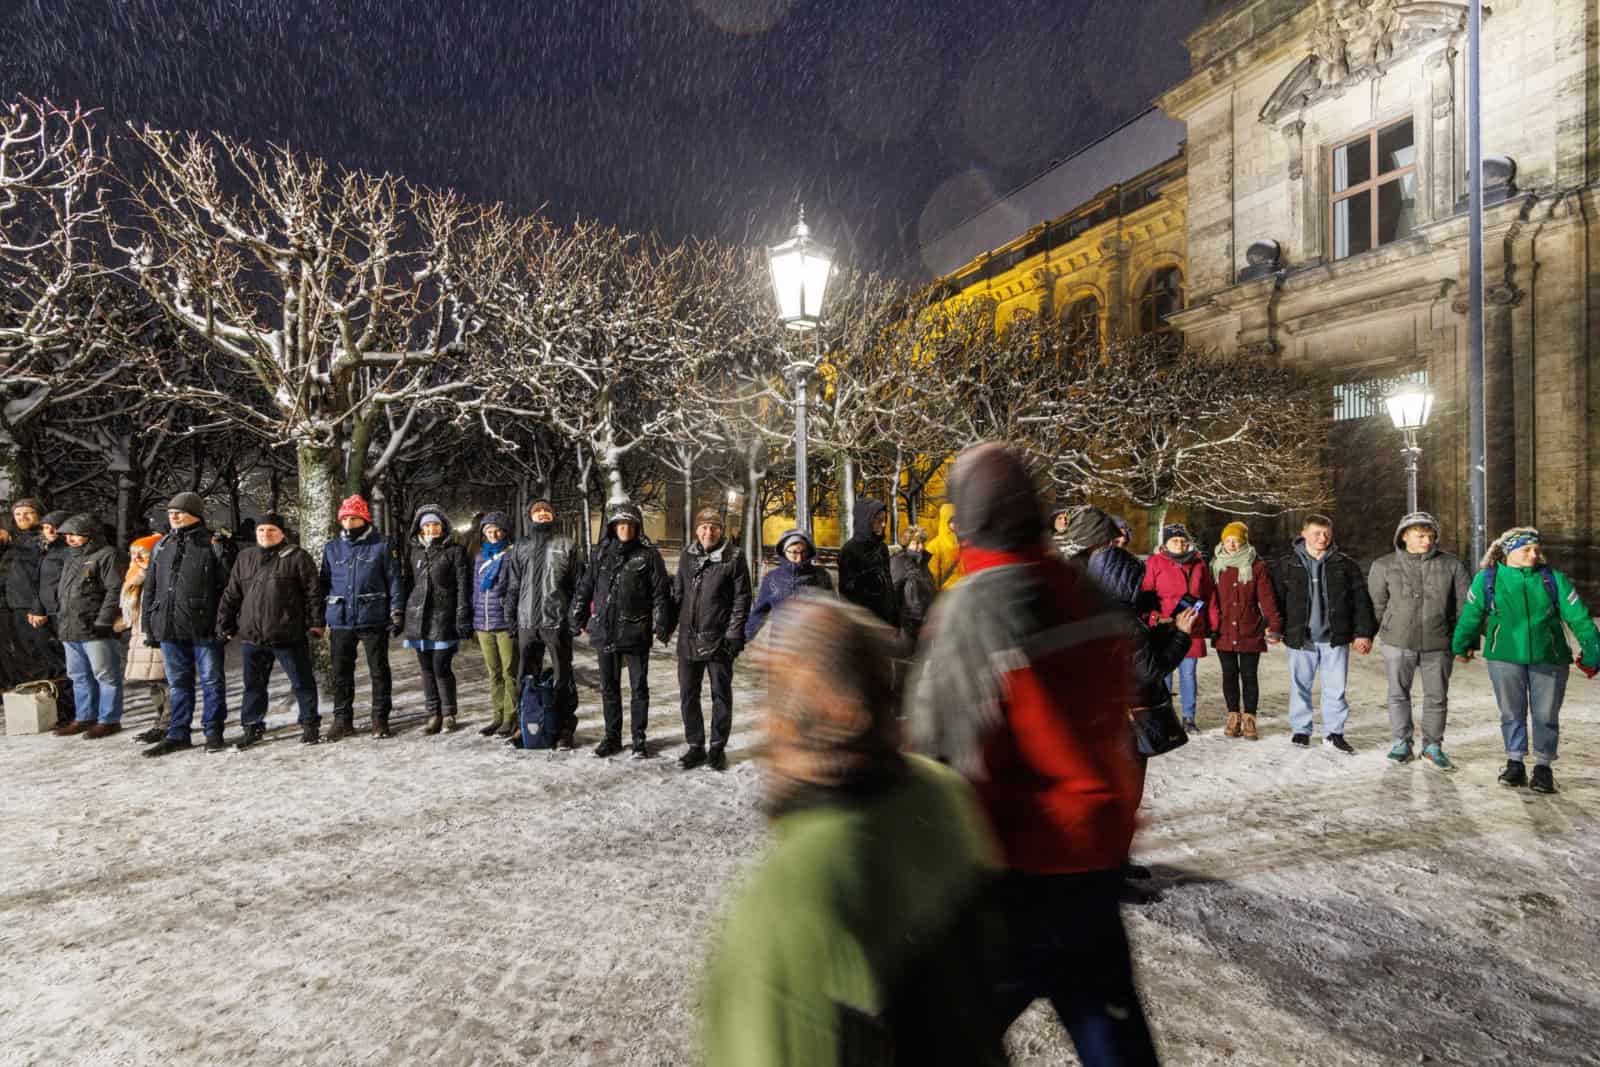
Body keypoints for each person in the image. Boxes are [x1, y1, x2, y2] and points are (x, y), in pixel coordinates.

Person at [909, 443, 1159, 1064]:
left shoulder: (977, 604)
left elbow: (941, 747)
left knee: (942, 1038)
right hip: (1095, 852)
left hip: (1017, 867)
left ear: (962, 518)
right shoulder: (1084, 589)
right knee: (1111, 1034)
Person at [703, 595, 1007, 1067]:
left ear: (789, 718)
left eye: (774, 695)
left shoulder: (792, 893)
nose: (764, 721)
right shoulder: (943, 793)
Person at [1451, 527, 1600, 794]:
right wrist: (1461, 645)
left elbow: (1579, 618)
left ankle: (1543, 767)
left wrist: (1593, 651)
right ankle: (1515, 761)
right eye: (1526, 550)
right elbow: (1471, 615)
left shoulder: (1553, 579)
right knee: (1511, 712)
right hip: (1505, 656)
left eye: (1536, 549)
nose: (1534, 554)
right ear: (1509, 552)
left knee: (1545, 714)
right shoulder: (1488, 579)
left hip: (1549, 656)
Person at [1368, 511, 1472, 768]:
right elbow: (1376, 604)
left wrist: (1465, 641)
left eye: (1431, 536)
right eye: (1420, 535)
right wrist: (1371, 632)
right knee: (1397, 693)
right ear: (1404, 536)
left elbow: (1465, 607)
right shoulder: (1383, 565)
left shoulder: (1452, 565)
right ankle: (1401, 742)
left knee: (1436, 696)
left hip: (1438, 642)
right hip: (1397, 641)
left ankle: (1433, 745)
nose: (1427, 541)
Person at [572, 501, 671, 759]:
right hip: (605, 629)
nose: (624, 529)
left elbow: (660, 593)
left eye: (629, 524)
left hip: (636, 631)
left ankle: (639, 738)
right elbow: (586, 587)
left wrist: (662, 623)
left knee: (638, 688)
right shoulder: (600, 555)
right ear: (612, 527)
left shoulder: (649, 556)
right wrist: (578, 615)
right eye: (620, 524)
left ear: (637, 527)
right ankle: (612, 736)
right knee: (609, 687)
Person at [1270, 514, 1376, 753]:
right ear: (1304, 533)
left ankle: (1334, 732)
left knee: (1335, 688)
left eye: (1327, 533)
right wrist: (1275, 628)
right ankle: (1301, 730)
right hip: (1300, 638)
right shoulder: (1287, 564)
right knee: (1300, 685)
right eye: (1317, 533)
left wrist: (1363, 633)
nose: (1322, 538)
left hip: (1335, 638)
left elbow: (1361, 601)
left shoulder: (1345, 564)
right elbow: (1275, 600)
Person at [216, 513, 323, 749]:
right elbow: (232, 593)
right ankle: (252, 727)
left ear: (282, 533)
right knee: (253, 685)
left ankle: (309, 724)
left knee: (301, 682)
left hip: (287, 633)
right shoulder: (245, 558)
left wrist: (316, 623)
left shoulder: (297, 557)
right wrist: (224, 623)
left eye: (272, 530)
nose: (266, 534)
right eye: (261, 530)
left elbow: (313, 593)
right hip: (252, 636)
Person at [141, 492, 236, 757]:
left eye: (179, 512)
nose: (173, 516)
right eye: (171, 512)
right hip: (169, 626)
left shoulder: (212, 543)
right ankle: (177, 733)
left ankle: (213, 732)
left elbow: (229, 586)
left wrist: (225, 623)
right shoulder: (162, 545)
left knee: (211, 681)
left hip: (205, 627)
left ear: (195, 514)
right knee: (178, 684)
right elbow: (151, 587)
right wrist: (149, 625)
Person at [667, 507, 751, 771]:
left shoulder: (734, 558)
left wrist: (734, 634)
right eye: (704, 526)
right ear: (696, 530)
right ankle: (695, 746)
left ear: (721, 530)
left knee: (720, 695)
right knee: (688, 695)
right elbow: (677, 594)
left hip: (719, 640)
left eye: (714, 527)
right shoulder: (686, 556)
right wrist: (666, 624)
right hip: (688, 640)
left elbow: (742, 598)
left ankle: (717, 748)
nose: (708, 531)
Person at [320, 495, 405, 739]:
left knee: (378, 671)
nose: (349, 522)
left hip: (372, 617)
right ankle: (342, 720)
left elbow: (394, 580)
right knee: (340, 672)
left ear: (364, 519)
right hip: (341, 619)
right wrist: (319, 616)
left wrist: (396, 611)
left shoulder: (382, 545)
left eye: (354, 518)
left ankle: (380, 719)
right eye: (345, 518)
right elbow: (324, 582)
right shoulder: (332, 548)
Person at [507, 497, 584, 748]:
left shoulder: (566, 545)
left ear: (553, 516)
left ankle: (564, 729)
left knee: (563, 677)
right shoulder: (520, 547)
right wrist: (511, 617)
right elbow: (514, 585)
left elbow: (577, 586)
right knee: (525, 676)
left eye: (546, 511)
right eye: (537, 511)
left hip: (556, 621)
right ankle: (526, 724)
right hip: (527, 621)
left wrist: (574, 616)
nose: (542, 514)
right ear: (529, 516)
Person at [51, 514, 126, 738]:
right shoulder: (70, 558)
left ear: (90, 534)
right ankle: (85, 716)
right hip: (70, 627)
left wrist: (104, 619)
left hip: (95, 627)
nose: (71, 539)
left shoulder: (107, 555)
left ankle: (109, 719)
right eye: (68, 535)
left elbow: (115, 589)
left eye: (76, 534)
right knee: (78, 675)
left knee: (105, 674)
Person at [0, 501, 75, 724]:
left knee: (52, 658)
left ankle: (68, 709)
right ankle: (48, 710)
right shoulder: (16, 543)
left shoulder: (43, 540)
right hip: (16, 608)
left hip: (37, 608)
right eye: (18, 514)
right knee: (33, 659)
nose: (22, 517)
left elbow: (44, 579)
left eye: (28, 513)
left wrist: (38, 606)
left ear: (39, 515)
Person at [1140, 523, 1218, 733]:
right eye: (1175, 540)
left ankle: (1188, 717)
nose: (1180, 544)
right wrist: (1154, 617)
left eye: (1184, 541)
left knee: (1188, 674)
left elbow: (1208, 595)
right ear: (1165, 544)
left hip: (1191, 626)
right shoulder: (1155, 563)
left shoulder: (1199, 564)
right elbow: (1146, 594)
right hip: (1164, 628)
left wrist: (1212, 621)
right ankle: (1165, 717)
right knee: (1164, 674)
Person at [403, 503, 473, 734]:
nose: (432, 529)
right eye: (427, 525)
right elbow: (408, 584)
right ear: (420, 529)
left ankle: (449, 713)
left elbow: (464, 585)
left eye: (436, 524)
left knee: (441, 665)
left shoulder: (455, 551)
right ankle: (433, 714)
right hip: (418, 618)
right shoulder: (414, 552)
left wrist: (462, 614)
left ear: (443, 527)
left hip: (444, 616)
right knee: (425, 668)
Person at [1211, 521, 1283, 741]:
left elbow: (1267, 597)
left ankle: (1249, 717)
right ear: (1223, 541)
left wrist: (1274, 624)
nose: (1232, 545)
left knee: (1249, 676)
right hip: (1223, 630)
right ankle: (1233, 715)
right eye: (1229, 540)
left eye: (1237, 541)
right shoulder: (1216, 565)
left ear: (1244, 542)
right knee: (1229, 675)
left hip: (1249, 628)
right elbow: (1210, 598)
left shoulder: (1256, 566)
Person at [119, 535, 171, 744]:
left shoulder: (159, 575)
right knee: (154, 683)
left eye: (143, 553)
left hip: (158, 634)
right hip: (141, 636)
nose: (137, 557)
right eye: (134, 554)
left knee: (166, 682)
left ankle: (168, 724)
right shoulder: (135, 578)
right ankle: (159, 721)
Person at [471, 511, 518, 738]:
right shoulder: (480, 557)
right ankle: (497, 715)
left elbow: (515, 587)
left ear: (505, 532)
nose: (493, 534)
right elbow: (475, 590)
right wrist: (474, 618)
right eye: (488, 531)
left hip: (504, 621)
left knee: (510, 671)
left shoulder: (511, 555)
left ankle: (511, 716)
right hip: (483, 623)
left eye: (497, 530)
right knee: (493, 672)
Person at [745, 528, 832, 642]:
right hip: (781, 643)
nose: (799, 558)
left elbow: (832, 609)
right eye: (794, 552)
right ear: (784, 552)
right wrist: (746, 636)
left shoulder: (821, 576)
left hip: (814, 644)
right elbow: (759, 612)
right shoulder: (772, 578)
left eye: (803, 552)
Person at [838, 498, 898, 626]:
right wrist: (868, 580)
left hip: (885, 619)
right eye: (879, 520)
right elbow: (846, 592)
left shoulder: (881, 548)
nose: (883, 525)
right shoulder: (849, 550)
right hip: (863, 623)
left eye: (885, 520)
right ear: (866, 521)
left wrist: (894, 614)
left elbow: (889, 582)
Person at [889, 524, 937, 646]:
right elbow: (891, 593)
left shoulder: (922, 563)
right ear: (907, 544)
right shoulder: (898, 561)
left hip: (926, 625)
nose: (920, 547)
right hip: (908, 627)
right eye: (916, 543)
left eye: (922, 543)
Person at [925, 501, 962, 589]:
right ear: (945, 521)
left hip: (965, 592)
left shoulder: (965, 542)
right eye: (953, 521)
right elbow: (932, 576)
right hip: (947, 594)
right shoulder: (934, 546)